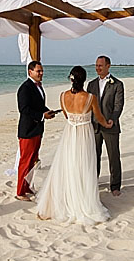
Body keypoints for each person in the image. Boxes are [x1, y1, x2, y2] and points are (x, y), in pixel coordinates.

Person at [36, 66, 113, 223]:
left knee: (68, 165)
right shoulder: (90, 98)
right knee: (84, 166)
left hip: (70, 134)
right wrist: (108, 124)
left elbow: (66, 115)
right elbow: (99, 118)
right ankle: (83, 201)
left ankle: (66, 199)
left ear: (70, 79)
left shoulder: (63, 96)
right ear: (83, 80)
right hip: (84, 135)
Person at [15, 61, 56, 201]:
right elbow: (24, 109)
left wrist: (47, 111)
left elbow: (39, 105)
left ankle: (27, 187)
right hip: (28, 131)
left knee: (32, 161)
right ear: (30, 72)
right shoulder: (25, 88)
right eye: (38, 71)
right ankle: (20, 192)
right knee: (25, 161)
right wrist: (41, 115)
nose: (41, 73)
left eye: (42, 70)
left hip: (37, 129)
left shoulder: (38, 87)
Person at [86, 55, 124, 196]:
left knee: (114, 156)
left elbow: (118, 105)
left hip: (110, 126)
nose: (98, 68)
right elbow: (88, 105)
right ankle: (93, 182)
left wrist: (113, 119)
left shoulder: (117, 84)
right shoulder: (91, 85)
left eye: (100, 65)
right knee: (94, 156)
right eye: (96, 65)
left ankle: (115, 186)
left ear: (108, 66)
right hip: (95, 126)